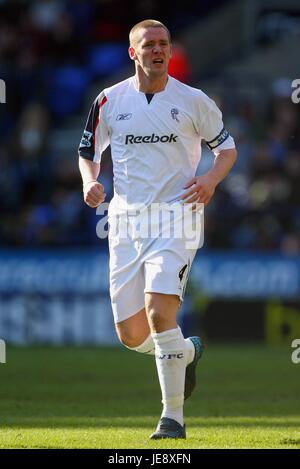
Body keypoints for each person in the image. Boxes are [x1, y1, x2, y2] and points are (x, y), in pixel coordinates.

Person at [78, 19, 237, 439]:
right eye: (148, 44)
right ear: (133, 53)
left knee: (159, 311)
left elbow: (227, 149)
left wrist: (209, 180)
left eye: (163, 43)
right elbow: (88, 152)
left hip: (176, 218)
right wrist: (89, 181)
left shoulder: (193, 100)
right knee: (131, 335)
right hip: (126, 222)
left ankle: (172, 420)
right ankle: (185, 352)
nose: (157, 50)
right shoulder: (110, 100)